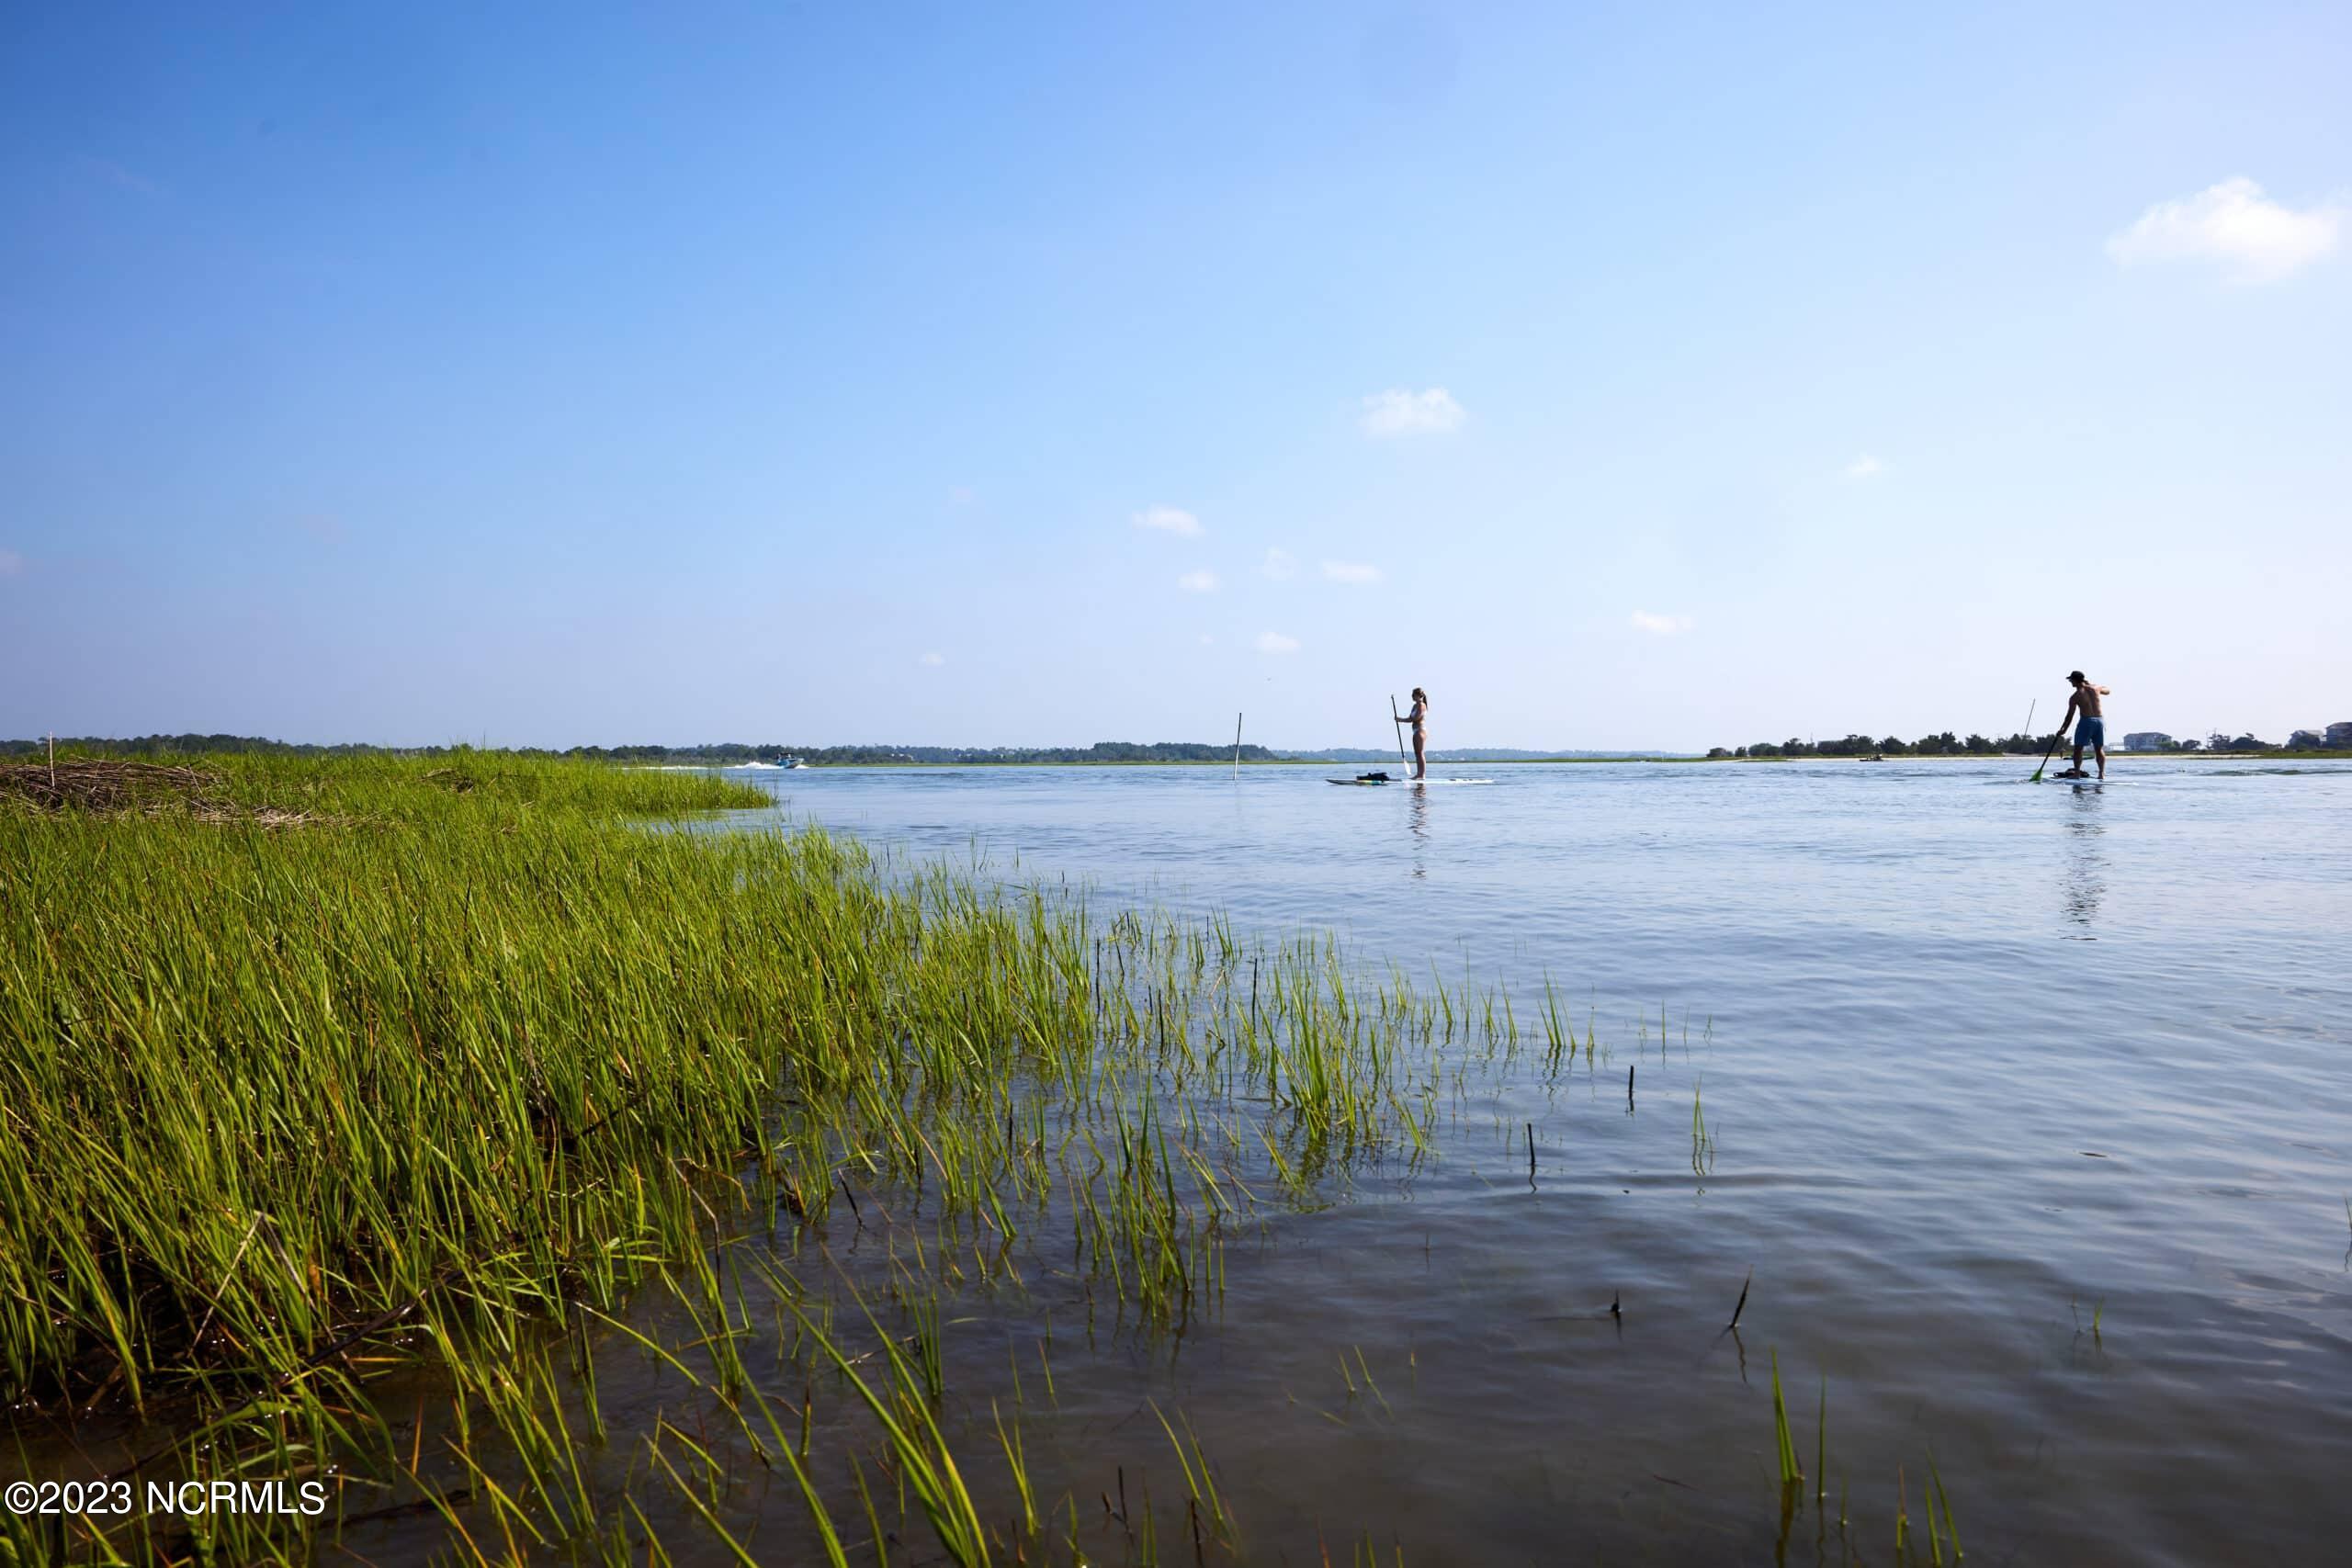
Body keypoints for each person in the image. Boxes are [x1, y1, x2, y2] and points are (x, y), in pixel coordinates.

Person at [2058, 671, 2111, 779]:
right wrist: (2092, 686)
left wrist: (2063, 730)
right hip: (2100, 721)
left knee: (2078, 748)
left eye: (2071, 680)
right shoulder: (2096, 688)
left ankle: (2077, 773)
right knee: (2098, 748)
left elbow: (2069, 716)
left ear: (2075, 680)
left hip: (2087, 721)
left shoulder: (2075, 696)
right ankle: (2101, 774)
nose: (2070, 682)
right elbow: (2108, 691)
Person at [1405, 687, 1430, 780]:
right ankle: (1419, 774)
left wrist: (1402, 720)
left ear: (1419, 696)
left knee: (1420, 752)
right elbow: (1410, 718)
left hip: (1420, 731)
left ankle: (1421, 774)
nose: (1412, 696)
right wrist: (1399, 719)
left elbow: (1415, 718)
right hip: (1415, 731)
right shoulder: (1415, 706)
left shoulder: (1422, 705)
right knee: (1417, 753)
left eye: (1413, 695)